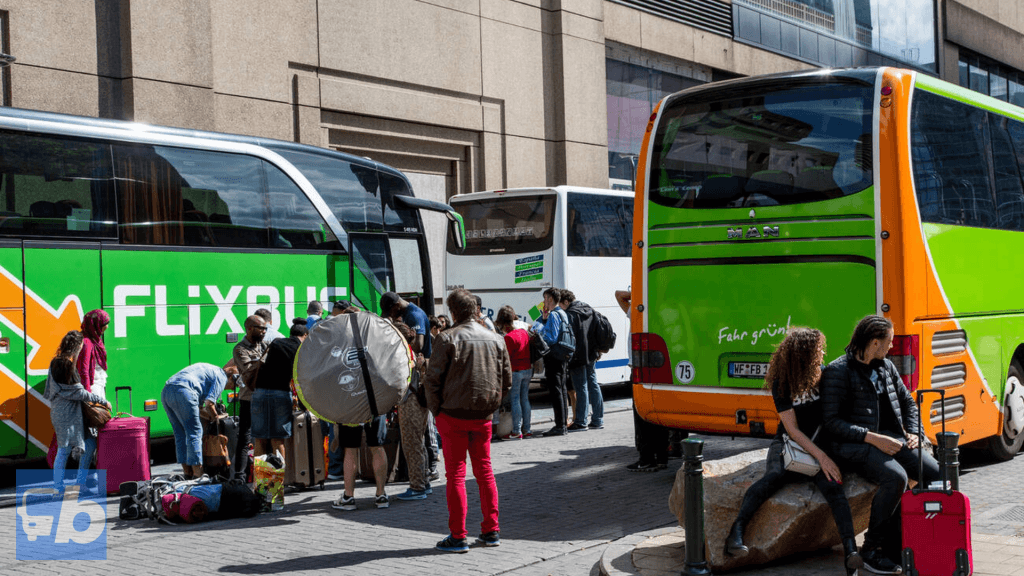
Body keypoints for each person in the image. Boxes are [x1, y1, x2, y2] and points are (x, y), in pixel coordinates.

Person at [724, 328, 862, 576]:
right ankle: (735, 534)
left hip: (820, 442)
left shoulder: (826, 375)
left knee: (834, 487)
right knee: (773, 477)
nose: (823, 353)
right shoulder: (783, 383)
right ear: (804, 354)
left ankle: (851, 552)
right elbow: (792, 430)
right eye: (818, 350)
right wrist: (822, 457)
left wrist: (825, 454)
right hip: (789, 442)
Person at [822, 315, 940, 575]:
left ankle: (899, 540)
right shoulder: (837, 371)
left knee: (936, 475)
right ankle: (871, 551)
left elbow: (908, 402)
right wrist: (871, 437)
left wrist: (914, 432)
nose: (892, 347)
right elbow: (831, 422)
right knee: (896, 478)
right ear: (875, 342)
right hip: (854, 445)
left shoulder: (886, 366)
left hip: (893, 438)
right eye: (889, 341)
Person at [424, 289, 512, 553]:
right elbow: (506, 380)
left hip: (452, 415)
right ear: (475, 309)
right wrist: (492, 403)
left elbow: (432, 380)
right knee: (484, 472)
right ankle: (491, 530)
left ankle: (458, 535)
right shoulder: (495, 338)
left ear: (453, 312)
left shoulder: (447, 337)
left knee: (456, 475)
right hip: (483, 415)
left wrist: (436, 410)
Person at [46, 330, 110, 492]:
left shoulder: (55, 362)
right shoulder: (66, 365)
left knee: (89, 444)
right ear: (77, 346)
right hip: (67, 415)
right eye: (81, 345)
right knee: (64, 449)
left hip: (62, 412)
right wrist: (103, 401)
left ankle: (80, 484)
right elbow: (79, 392)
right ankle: (58, 489)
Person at [618, 287, 669, 471]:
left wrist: (640, 290)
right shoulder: (663, 310)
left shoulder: (639, 310)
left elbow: (618, 294)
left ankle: (646, 458)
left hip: (640, 368)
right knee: (658, 415)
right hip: (659, 366)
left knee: (641, 415)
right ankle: (662, 458)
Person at [251, 319, 309, 462]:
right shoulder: (301, 349)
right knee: (278, 440)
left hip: (259, 393)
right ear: (305, 335)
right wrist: (304, 405)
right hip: (280, 394)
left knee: (260, 439)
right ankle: (278, 482)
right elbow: (299, 379)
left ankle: (260, 481)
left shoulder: (276, 342)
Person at [162, 362, 232, 478]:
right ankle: (198, 474)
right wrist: (215, 417)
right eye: (235, 386)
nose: (231, 388)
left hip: (167, 391)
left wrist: (209, 415)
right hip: (184, 391)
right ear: (232, 378)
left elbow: (199, 408)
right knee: (194, 433)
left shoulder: (210, 370)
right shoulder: (222, 376)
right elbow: (209, 403)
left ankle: (187, 472)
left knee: (180, 434)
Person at [393, 321, 433, 501]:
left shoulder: (402, 353)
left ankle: (417, 487)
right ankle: (424, 482)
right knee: (419, 442)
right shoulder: (411, 351)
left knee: (412, 445)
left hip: (410, 402)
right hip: (419, 402)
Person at [561, 291, 604, 431]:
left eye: (561, 304)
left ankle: (581, 421)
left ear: (566, 302)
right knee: (593, 385)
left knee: (581, 387)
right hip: (592, 354)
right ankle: (598, 419)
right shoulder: (588, 308)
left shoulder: (571, 314)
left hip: (578, 355)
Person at [233, 315, 268, 477]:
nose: (264, 331)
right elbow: (249, 372)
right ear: (249, 329)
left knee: (265, 438)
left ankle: (265, 474)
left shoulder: (264, 345)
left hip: (266, 396)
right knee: (244, 438)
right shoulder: (240, 349)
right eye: (260, 328)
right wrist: (265, 358)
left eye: (265, 328)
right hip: (249, 399)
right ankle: (240, 476)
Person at [532, 288, 571, 437]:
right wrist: (543, 318)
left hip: (554, 356)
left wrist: (539, 329)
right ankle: (563, 424)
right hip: (562, 355)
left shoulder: (554, 314)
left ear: (549, 299)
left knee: (556, 391)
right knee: (561, 389)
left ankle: (559, 425)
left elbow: (551, 337)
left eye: (544, 299)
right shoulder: (562, 313)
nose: (543, 302)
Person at [331, 415, 391, 510]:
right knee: (377, 446)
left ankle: (348, 497)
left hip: (351, 407)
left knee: (350, 448)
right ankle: (381, 495)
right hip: (376, 405)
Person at [495, 306, 532, 440]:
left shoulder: (509, 337)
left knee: (515, 399)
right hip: (528, 369)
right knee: (525, 399)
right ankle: (527, 429)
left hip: (516, 370)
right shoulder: (523, 332)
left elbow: (506, 358)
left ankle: (516, 430)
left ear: (504, 323)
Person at [380, 291, 431, 360]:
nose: (391, 316)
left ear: (397, 305)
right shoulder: (406, 314)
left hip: (421, 365)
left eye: (390, 312)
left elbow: (419, 345)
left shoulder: (414, 315)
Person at [78, 309, 110, 401]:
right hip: (93, 388)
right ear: (95, 325)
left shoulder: (95, 339)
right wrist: (87, 393)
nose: (106, 327)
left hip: (99, 384)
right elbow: (83, 369)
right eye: (103, 325)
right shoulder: (87, 342)